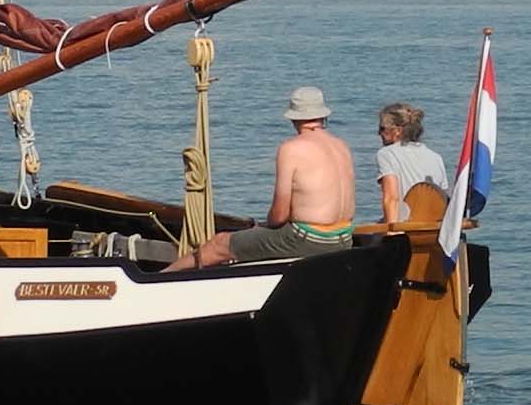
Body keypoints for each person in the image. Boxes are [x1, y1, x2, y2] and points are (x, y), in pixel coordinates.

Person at [169, 85, 355, 270]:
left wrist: (264, 226)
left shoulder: (291, 149)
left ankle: (161, 278)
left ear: (294, 118)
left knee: (219, 244)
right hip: (344, 238)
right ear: (323, 116)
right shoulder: (341, 146)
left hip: (309, 240)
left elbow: (279, 215)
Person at [374, 101, 449, 224]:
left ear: (398, 130)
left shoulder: (387, 154)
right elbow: (442, 199)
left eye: (382, 128)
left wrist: (392, 235)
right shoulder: (436, 157)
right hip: (433, 230)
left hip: (405, 229)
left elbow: (391, 198)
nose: (378, 133)